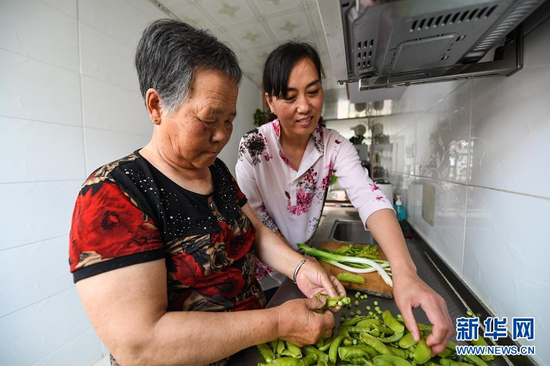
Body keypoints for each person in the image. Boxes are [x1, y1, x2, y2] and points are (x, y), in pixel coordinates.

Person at [69, 20, 345, 366]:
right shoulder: (113, 194)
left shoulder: (215, 171)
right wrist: (278, 322)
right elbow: (141, 345)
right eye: (209, 119)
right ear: (156, 106)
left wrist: (302, 268)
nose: (221, 136)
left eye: (228, 120)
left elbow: (255, 232)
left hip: (258, 352)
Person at [235, 41, 453, 355]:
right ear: (270, 100)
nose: (304, 106)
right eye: (289, 96)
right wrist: (297, 266)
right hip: (262, 274)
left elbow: (369, 198)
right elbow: (252, 224)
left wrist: (405, 273)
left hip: (308, 272)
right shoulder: (254, 146)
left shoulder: (334, 145)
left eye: (312, 91)